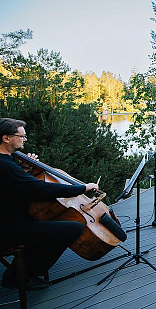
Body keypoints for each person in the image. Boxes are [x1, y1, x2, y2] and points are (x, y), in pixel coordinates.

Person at [0, 118, 99, 290]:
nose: (25, 139)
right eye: (21, 136)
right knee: (73, 228)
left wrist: (24, 169)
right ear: (6, 138)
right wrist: (81, 188)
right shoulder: (6, 166)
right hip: (9, 229)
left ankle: (20, 270)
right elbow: (42, 189)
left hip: (11, 222)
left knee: (48, 225)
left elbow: (19, 187)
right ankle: (20, 275)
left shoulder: (7, 162)